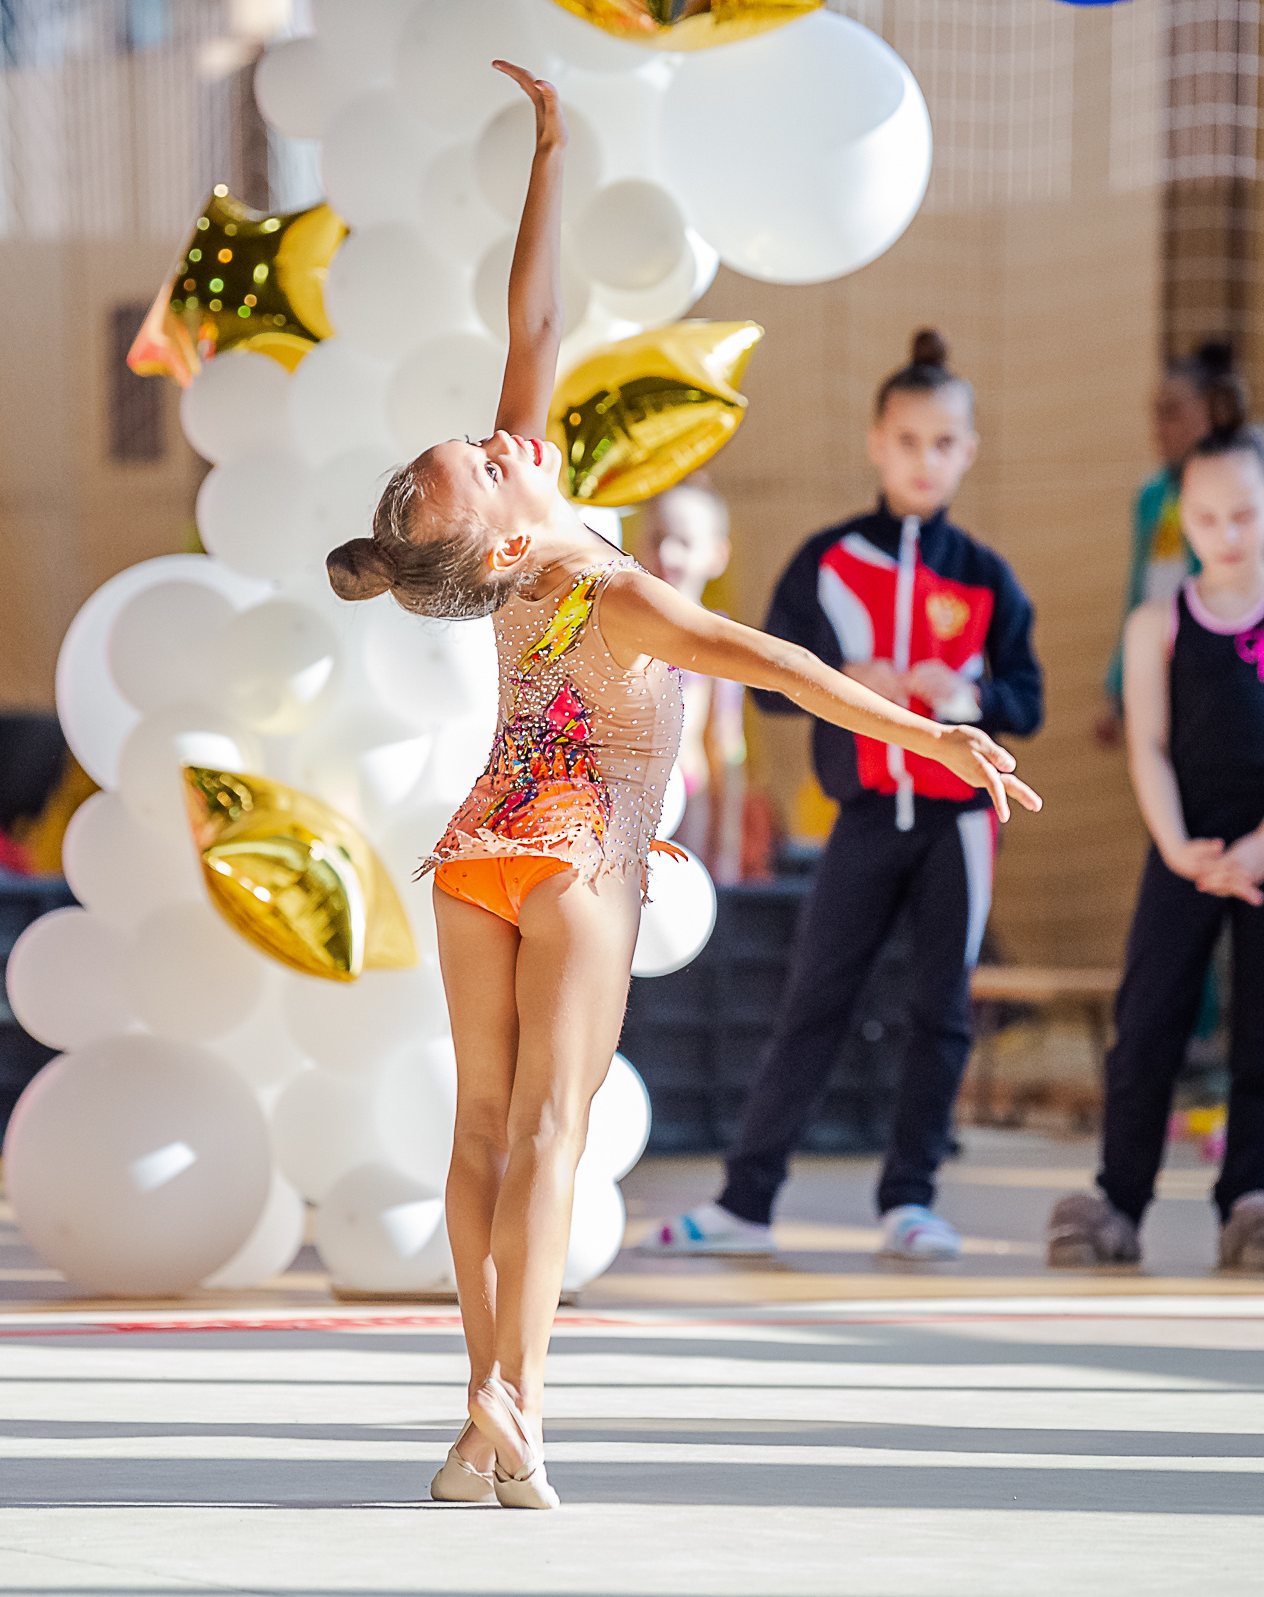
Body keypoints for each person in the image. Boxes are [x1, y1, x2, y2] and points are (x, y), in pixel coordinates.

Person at [325, 64, 1040, 1510]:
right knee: (549, 1133)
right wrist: (936, 738)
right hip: (576, 860)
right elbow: (785, 666)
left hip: (476, 854)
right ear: (503, 539)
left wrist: (551, 150)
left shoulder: (515, 555)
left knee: (480, 1132)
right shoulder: (614, 588)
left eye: (485, 440)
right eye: (490, 461)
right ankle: (520, 1406)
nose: (508, 439)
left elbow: (531, 322)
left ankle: (479, 1415)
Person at [640, 328, 1045, 1266]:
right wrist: (840, 677)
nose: (923, 459)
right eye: (907, 440)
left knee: (941, 1011)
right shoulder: (824, 562)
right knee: (812, 1002)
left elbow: (1027, 700)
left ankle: (911, 1198)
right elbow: (769, 684)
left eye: (943, 443)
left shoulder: (987, 578)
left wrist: (969, 696)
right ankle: (746, 1200)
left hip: (956, 827)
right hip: (861, 822)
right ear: (876, 442)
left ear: (968, 452)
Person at [1047, 413, 1264, 1272]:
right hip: (1183, 842)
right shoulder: (1157, 624)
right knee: (1147, 1020)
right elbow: (1146, 743)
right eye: (1207, 518)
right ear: (1184, 520)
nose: (1227, 534)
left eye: (1244, 515)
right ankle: (1120, 1197)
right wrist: (1179, 847)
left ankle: (1250, 1195)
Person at [1095, 340, 1248, 748]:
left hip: (1220, 677)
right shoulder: (1151, 497)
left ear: (1209, 411)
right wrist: (1116, 686)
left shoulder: (1239, 489)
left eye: (1172, 411)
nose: (1159, 426)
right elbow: (1137, 594)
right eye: (1155, 413)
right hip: (1158, 674)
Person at [631, 478, 748, 878]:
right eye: (657, 539)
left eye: (683, 542)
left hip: (688, 795)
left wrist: (727, 847)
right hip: (624, 797)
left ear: (716, 556)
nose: (667, 553)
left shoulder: (718, 640)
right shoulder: (623, 627)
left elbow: (727, 746)